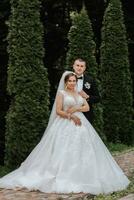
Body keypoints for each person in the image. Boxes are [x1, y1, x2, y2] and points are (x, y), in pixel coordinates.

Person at [0, 72, 130, 195]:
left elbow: (87, 107)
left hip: (82, 123)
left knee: (85, 149)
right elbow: (58, 111)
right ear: (66, 82)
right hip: (65, 123)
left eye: (74, 81)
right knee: (64, 150)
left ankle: (84, 175)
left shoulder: (79, 93)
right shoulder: (61, 93)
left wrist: (76, 109)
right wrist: (71, 116)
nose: (73, 83)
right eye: (70, 81)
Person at [72, 58, 100, 123]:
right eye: (77, 65)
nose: (79, 68)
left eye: (82, 66)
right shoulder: (67, 79)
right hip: (70, 113)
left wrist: (87, 97)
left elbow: (98, 98)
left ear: (84, 68)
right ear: (73, 66)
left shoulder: (90, 80)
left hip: (86, 115)